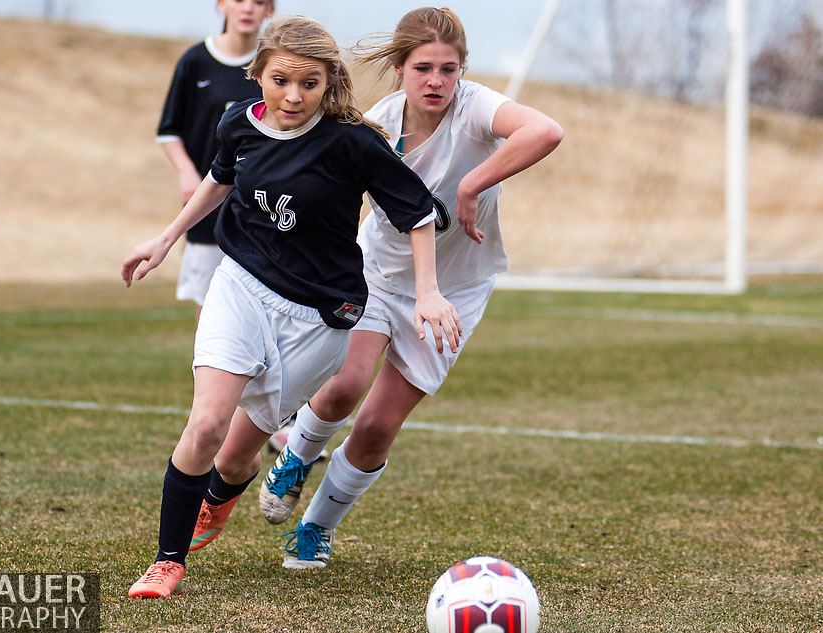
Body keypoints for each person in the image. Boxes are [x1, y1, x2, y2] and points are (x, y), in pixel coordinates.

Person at [121, 15, 461, 598]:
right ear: (257, 75)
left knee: (232, 461)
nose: (294, 97)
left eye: (310, 84)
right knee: (204, 425)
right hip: (241, 286)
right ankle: (167, 561)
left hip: (319, 318)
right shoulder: (238, 123)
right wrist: (166, 237)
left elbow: (418, 213)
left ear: (330, 83)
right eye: (281, 81)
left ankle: (222, 496)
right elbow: (219, 178)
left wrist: (428, 291)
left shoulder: (353, 143)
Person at [260, 7, 564, 569]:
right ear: (400, 68)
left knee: (376, 426)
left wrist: (474, 182)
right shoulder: (375, 124)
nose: (437, 81)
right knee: (346, 384)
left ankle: (314, 530)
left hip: (458, 290)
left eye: (449, 69)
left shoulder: (476, 109)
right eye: (423, 67)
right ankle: (295, 458)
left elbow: (546, 130)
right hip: (379, 274)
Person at [157, 0, 274, 321]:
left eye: (259, 2)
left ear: (270, 10)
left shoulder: (276, 66)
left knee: (262, 308)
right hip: (209, 206)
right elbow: (169, 131)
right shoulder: (196, 60)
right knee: (211, 313)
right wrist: (187, 173)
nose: (248, 8)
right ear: (222, 5)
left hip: (264, 207)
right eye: (238, 0)